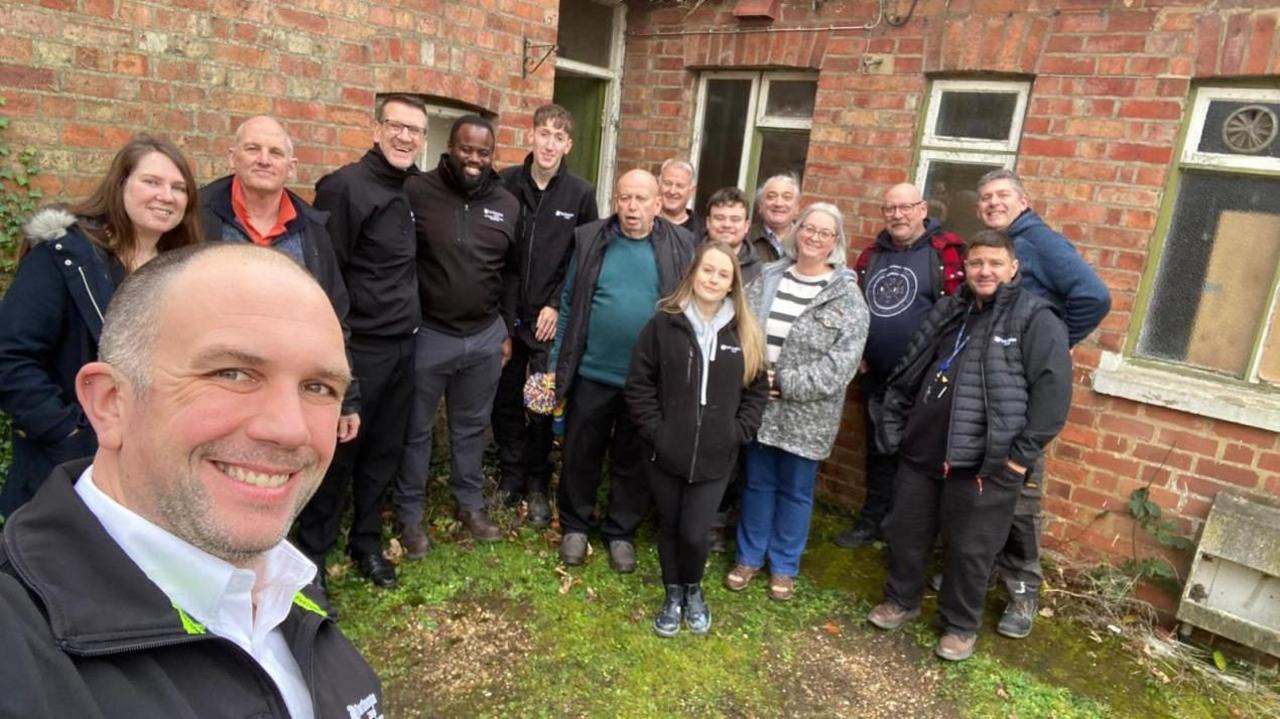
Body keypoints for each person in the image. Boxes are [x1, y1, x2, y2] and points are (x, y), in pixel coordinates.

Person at [0, 243, 382, 717]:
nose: (290, 429)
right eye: (234, 373)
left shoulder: (285, 585)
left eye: (319, 388)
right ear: (110, 403)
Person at [867, 230, 1072, 662]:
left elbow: (1052, 399)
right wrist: (895, 429)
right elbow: (909, 369)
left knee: (971, 550)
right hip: (921, 452)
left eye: (995, 263)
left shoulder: (1035, 319)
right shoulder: (951, 309)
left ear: (1014, 268)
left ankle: (960, 625)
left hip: (986, 463)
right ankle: (901, 600)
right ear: (966, 268)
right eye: (977, 263)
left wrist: (1018, 461)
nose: (985, 271)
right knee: (906, 533)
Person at [0, 134, 201, 517]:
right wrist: (70, 436)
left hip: (156, 468)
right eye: (152, 182)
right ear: (121, 184)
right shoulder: (65, 257)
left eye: (179, 188)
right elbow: (11, 357)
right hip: (67, 468)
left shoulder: (185, 271)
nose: (167, 196)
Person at [294, 94, 426, 593]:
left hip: (404, 346)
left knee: (383, 453)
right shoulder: (345, 188)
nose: (405, 137)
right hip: (359, 348)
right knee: (340, 453)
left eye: (415, 130)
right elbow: (328, 278)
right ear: (376, 130)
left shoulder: (414, 189)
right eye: (396, 126)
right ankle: (312, 554)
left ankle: (366, 542)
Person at [974, 168, 1111, 639]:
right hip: (989, 383)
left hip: (1026, 390)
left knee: (1020, 496)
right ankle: (977, 571)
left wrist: (1053, 342)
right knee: (981, 482)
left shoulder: (1039, 240)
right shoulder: (996, 251)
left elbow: (1094, 296)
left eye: (1002, 196)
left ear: (1024, 201)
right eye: (986, 198)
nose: (993, 203)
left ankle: (1023, 591)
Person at [550, 169, 694, 572]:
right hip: (592, 372)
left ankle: (620, 532)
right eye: (625, 198)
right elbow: (568, 304)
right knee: (580, 453)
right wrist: (558, 364)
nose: (632, 208)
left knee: (634, 458)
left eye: (641, 199)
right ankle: (576, 526)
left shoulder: (681, 244)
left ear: (658, 203)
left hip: (646, 382)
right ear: (615, 200)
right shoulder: (590, 237)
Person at [724, 203, 868, 601]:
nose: (814, 237)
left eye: (825, 233)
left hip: (809, 413)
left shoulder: (847, 296)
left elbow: (842, 364)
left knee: (796, 491)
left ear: (835, 242)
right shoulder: (769, 278)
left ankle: (784, 565)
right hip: (760, 406)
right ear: (797, 231)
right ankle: (748, 557)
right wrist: (754, 377)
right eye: (809, 228)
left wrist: (785, 382)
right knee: (756, 483)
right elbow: (741, 327)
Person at [625, 241, 769, 636]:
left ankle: (694, 588)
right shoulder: (664, 323)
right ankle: (673, 593)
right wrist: (657, 431)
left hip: (716, 457)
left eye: (723, 275)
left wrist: (736, 433)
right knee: (670, 527)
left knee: (694, 530)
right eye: (708, 270)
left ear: (731, 285)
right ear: (694, 273)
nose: (713, 279)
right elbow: (639, 383)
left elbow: (757, 391)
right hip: (665, 451)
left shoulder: (745, 332)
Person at [395, 114, 519, 544]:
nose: (473, 159)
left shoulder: (506, 203)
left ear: (492, 156)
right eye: (466, 149)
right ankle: (409, 514)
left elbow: (512, 272)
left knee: (471, 427)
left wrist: (505, 326)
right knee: (417, 428)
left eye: (483, 152)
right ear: (449, 147)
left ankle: (470, 505)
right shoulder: (416, 192)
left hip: (484, 336)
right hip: (429, 333)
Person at [200, 115, 361, 438]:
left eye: (274, 152)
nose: (263, 159)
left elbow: (333, 317)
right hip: (214, 381)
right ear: (233, 156)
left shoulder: (313, 231)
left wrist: (347, 397)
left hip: (287, 386)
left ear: (291, 166)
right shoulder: (197, 218)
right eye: (252, 149)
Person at [833, 183, 965, 549]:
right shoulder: (871, 255)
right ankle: (871, 521)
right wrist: (857, 350)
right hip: (876, 374)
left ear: (923, 209)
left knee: (918, 458)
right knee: (877, 451)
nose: (897, 215)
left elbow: (961, 314)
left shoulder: (946, 253)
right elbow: (854, 310)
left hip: (925, 378)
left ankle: (906, 535)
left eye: (905, 207)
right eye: (890, 208)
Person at [492, 103, 598, 527]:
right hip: (506, 317)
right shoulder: (504, 185)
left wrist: (556, 301)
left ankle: (537, 480)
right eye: (544, 133)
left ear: (568, 144)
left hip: (546, 323)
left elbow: (583, 256)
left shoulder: (580, 194)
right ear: (531, 136)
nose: (550, 142)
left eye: (559, 136)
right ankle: (510, 474)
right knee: (503, 401)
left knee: (538, 403)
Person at [704, 186, 762, 285]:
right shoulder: (688, 257)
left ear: (746, 226)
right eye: (719, 218)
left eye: (735, 219)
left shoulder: (759, 272)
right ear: (708, 222)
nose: (727, 225)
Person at [748, 174, 800, 263]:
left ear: (797, 207)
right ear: (760, 205)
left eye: (787, 197)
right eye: (771, 197)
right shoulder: (745, 239)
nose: (778, 203)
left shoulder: (806, 241)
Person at [658, 158, 704, 240]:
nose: (672, 191)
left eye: (680, 186)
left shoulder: (702, 232)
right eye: (668, 184)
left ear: (692, 191)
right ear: (659, 185)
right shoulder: (646, 223)